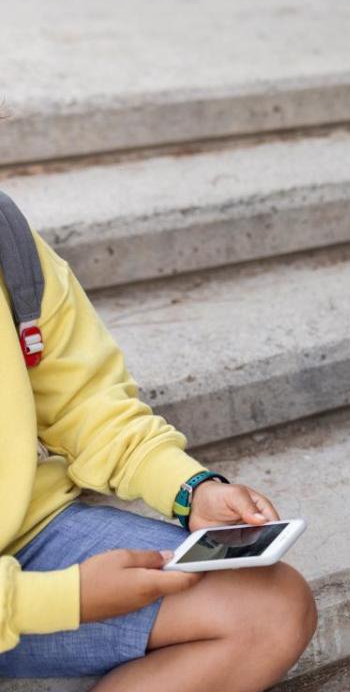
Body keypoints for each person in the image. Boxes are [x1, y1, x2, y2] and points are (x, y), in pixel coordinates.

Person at [0, 197, 317, 691]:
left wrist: (190, 488)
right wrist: (61, 599)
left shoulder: (7, 241)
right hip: (29, 592)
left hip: (27, 536)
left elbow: (84, 404)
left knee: (271, 609)